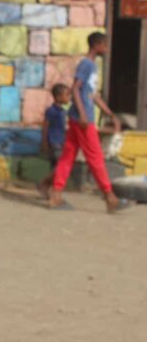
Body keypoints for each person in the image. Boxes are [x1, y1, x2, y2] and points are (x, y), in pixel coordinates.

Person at [47, 32, 129, 212]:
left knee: (68, 155)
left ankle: (55, 192)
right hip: (83, 119)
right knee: (95, 157)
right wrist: (83, 114)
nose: (107, 49)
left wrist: (110, 114)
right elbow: (75, 89)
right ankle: (110, 197)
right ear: (97, 45)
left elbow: (93, 95)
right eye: (105, 45)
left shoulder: (93, 66)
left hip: (79, 117)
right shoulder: (86, 64)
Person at [38, 83, 70, 196]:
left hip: (61, 142)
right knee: (60, 167)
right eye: (67, 95)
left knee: (55, 167)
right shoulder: (51, 111)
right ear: (58, 97)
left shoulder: (63, 111)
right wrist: (44, 142)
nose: (69, 97)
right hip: (54, 142)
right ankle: (44, 184)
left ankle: (49, 189)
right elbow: (45, 126)